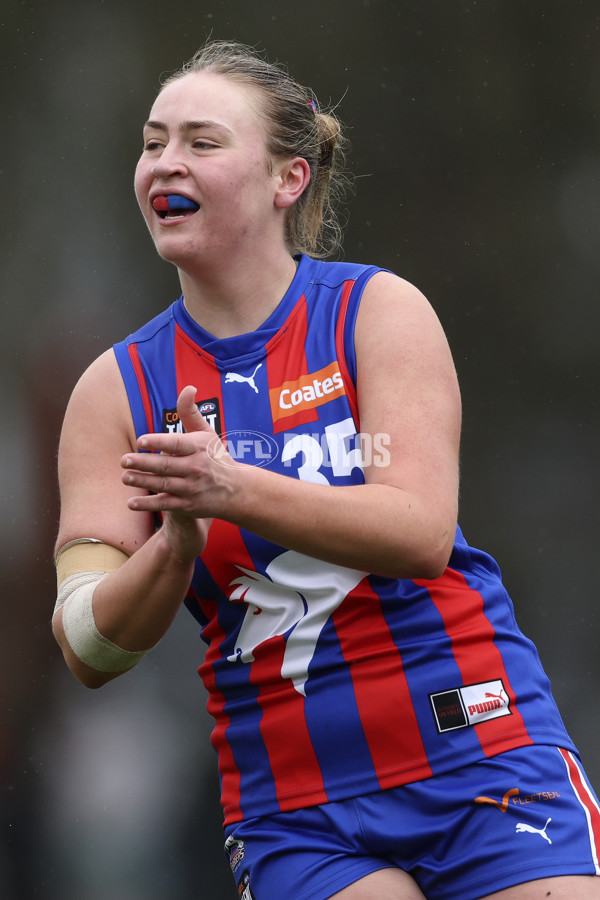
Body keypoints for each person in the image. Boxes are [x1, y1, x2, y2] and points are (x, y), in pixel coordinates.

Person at [52, 39, 600, 900]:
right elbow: (87, 643)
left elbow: (418, 532)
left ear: (288, 180)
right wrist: (175, 545)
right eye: (153, 141)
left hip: (480, 752)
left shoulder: (374, 312)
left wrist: (232, 487)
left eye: (201, 142)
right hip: (295, 809)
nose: (165, 163)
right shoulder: (114, 391)